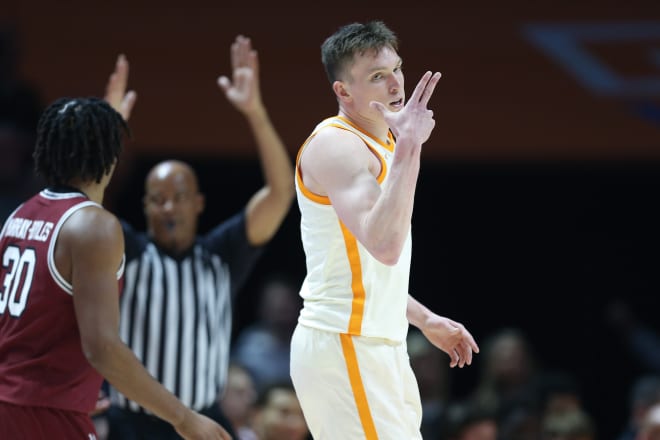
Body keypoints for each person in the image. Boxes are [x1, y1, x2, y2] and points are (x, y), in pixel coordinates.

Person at [289, 20, 480, 439]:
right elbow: (385, 246)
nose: (396, 84)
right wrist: (412, 146)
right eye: (378, 76)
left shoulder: (388, 142)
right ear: (343, 91)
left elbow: (370, 272)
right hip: (345, 340)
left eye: (397, 69)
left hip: (379, 343)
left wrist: (424, 319)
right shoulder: (335, 145)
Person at [0, 97, 230, 439]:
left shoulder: (19, 217)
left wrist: (72, 386)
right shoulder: (93, 225)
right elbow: (103, 348)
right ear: (111, 158)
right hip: (46, 415)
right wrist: (184, 418)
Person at [103, 35, 295, 439]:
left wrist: (255, 111)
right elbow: (83, 204)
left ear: (199, 204)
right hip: (132, 425)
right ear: (145, 207)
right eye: (158, 199)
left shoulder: (221, 255)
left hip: (202, 421)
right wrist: (105, 134)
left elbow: (281, 194)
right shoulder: (127, 249)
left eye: (179, 197)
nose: (169, 207)